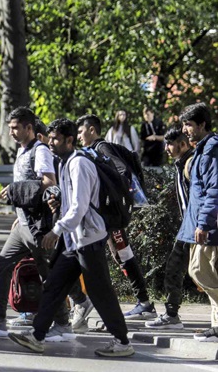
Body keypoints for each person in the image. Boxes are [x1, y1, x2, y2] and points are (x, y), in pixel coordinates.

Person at [8, 118, 135, 358]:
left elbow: (79, 207)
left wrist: (56, 231)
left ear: (70, 140)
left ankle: (122, 341)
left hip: (88, 239)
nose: (51, 142)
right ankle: (37, 336)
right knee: (54, 285)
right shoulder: (64, 163)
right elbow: (71, 205)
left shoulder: (78, 164)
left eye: (56, 138)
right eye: (50, 137)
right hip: (74, 240)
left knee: (100, 292)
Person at [0, 107, 72, 339]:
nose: (12, 132)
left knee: (48, 273)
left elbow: (49, 182)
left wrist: (16, 191)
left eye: (16, 128)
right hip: (23, 225)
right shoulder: (22, 151)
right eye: (10, 128)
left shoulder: (40, 151)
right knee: (3, 264)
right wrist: (19, 215)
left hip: (38, 226)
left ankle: (64, 323)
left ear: (29, 127)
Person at [77, 114, 156, 321]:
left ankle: (144, 304)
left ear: (92, 130)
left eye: (80, 131)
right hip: (108, 215)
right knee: (120, 255)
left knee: (122, 255)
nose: (78, 136)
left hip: (111, 215)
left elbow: (122, 171)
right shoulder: (92, 151)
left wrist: (113, 201)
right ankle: (143, 303)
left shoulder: (102, 148)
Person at [175, 103, 218, 342]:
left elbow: (214, 189)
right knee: (201, 271)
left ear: (202, 124)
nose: (185, 130)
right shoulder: (203, 148)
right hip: (200, 222)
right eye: (184, 125)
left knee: (201, 271)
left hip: (208, 225)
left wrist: (204, 223)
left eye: (189, 124)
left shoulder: (211, 149)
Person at [145, 127, 194, 329]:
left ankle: (172, 314)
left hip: (197, 226)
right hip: (189, 226)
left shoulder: (191, 164)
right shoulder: (180, 163)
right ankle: (171, 314)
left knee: (192, 270)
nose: (166, 148)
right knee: (177, 268)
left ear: (183, 144)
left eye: (170, 144)